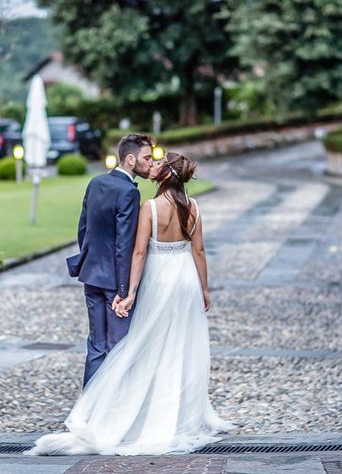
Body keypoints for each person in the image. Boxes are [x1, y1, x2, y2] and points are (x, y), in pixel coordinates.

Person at [27, 152, 231, 456]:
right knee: (180, 346)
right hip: (186, 278)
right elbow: (199, 252)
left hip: (160, 279)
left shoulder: (150, 208)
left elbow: (138, 254)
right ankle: (180, 415)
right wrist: (204, 288)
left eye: (158, 164)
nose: (153, 166)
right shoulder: (195, 208)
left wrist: (131, 291)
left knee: (148, 343)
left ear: (163, 176)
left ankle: (135, 411)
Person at [66, 133, 154, 388]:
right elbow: (124, 244)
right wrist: (125, 291)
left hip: (91, 275)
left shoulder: (95, 183)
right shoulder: (128, 192)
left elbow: (83, 230)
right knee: (119, 347)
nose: (150, 163)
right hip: (115, 284)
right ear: (130, 159)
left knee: (96, 345)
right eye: (146, 158)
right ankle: (114, 410)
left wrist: (91, 262)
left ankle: (89, 407)